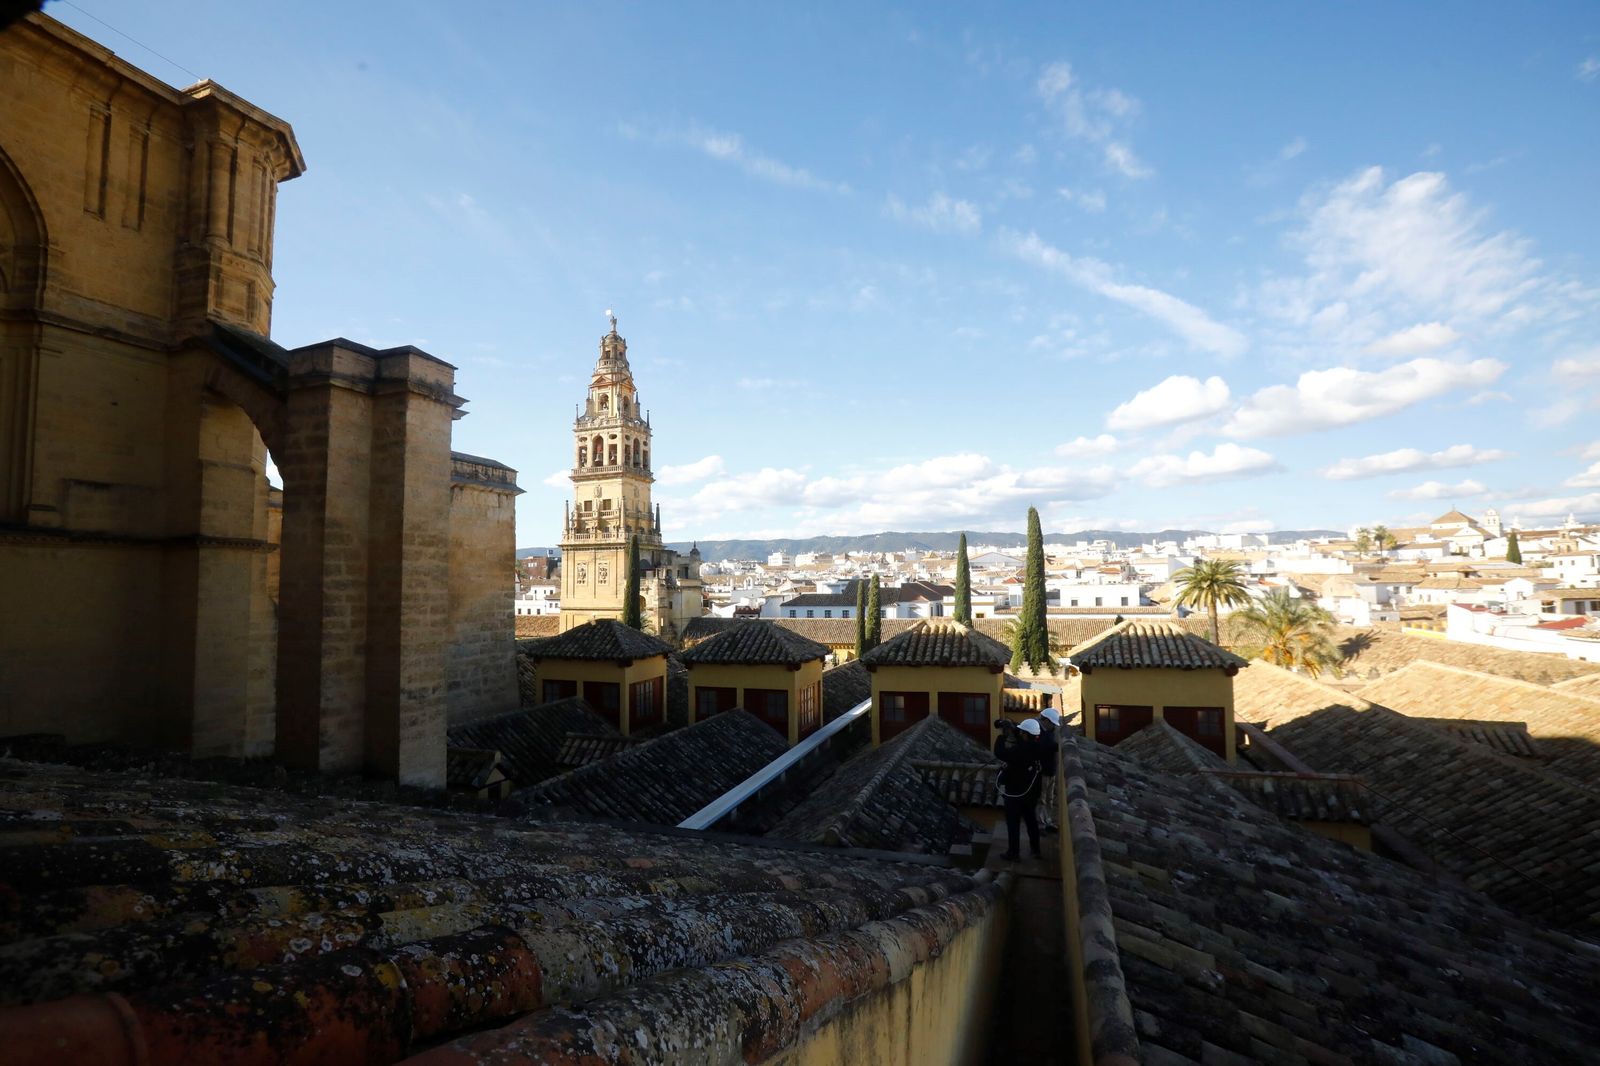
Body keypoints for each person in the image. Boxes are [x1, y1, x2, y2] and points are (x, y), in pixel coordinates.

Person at [994, 718, 1044, 861]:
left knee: (1013, 823)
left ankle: (1013, 853)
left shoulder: (1019, 750)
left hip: (1016, 793)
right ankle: (1036, 850)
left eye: (1022, 732)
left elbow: (1000, 753)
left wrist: (1002, 735)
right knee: (1031, 821)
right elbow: (1023, 739)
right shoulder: (1037, 746)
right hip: (1032, 793)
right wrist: (1014, 728)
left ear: (1025, 734)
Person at [1037, 707, 1061, 835]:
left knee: (1049, 798)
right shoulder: (1039, 732)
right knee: (1042, 799)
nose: (1053, 726)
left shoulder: (1050, 732)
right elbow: (1043, 748)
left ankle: (1048, 820)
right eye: (1052, 723)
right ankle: (1041, 824)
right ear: (1045, 720)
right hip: (1043, 771)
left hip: (1051, 771)